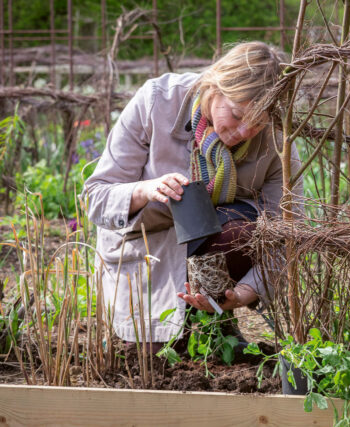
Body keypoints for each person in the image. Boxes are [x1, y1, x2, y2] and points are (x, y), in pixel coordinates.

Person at [83, 42, 302, 345]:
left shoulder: (276, 141)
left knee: (243, 227)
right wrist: (146, 190)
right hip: (150, 247)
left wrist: (241, 295)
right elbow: (96, 196)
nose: (243, 132)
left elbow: (287, 233)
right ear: (215, 85)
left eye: (257, 123)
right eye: (237, 115)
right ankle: (174, 325)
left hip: (216, 250)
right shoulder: (158, 101)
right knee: (151, 354)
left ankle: (216, 315)